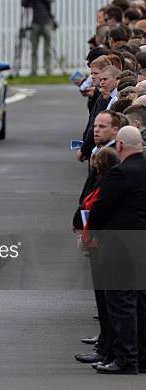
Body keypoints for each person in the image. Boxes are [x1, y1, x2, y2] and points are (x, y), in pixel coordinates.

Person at [88, 126, 146, 374]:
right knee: (141, 302)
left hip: (120, 245)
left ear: (119, 146)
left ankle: (125, 357)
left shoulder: (119, 173)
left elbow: (101, 209)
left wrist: (93, 234)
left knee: (121, 302)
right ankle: (141, 356)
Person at [73, 147, 120, 365]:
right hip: (102, 243)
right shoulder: (106, 178)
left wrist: (88, 232)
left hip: (108, 244)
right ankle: (107, 344)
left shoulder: (113, 179)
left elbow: (97, 209)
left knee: (115, 300)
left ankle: (113, 349)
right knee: (107, 299)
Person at [22, 0, 55, 76]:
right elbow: (25, 4)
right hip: (38, 23)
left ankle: (47, 69)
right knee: (35, 50)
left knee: (46, 49)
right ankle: (35, 70)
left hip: (44, 22)